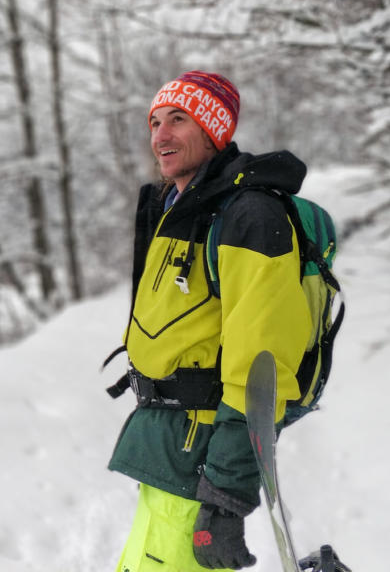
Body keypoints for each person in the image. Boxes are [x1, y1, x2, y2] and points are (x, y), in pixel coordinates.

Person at [108, 71, 313, 571]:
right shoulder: (181, 207)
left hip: (199, 456)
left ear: (213, 129)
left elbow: (261, 367)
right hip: (166, 447)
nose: (160, 136)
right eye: (155, 122)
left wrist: (224, 496)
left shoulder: (250, 216)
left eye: (178, 119)